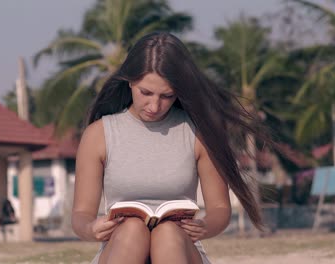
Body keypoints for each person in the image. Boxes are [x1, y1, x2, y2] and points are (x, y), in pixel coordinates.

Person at [72, 32, 271, 264]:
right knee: (132, 229)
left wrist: (204, 226)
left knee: (166, 233)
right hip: (121, 250)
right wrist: (91, 227)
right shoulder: (98, 134)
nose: (154, 106)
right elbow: (81, 214)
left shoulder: (198, 132)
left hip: (179, 251)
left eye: (167, 96)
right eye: (146, 93)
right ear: (130, 81)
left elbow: (219, 208)